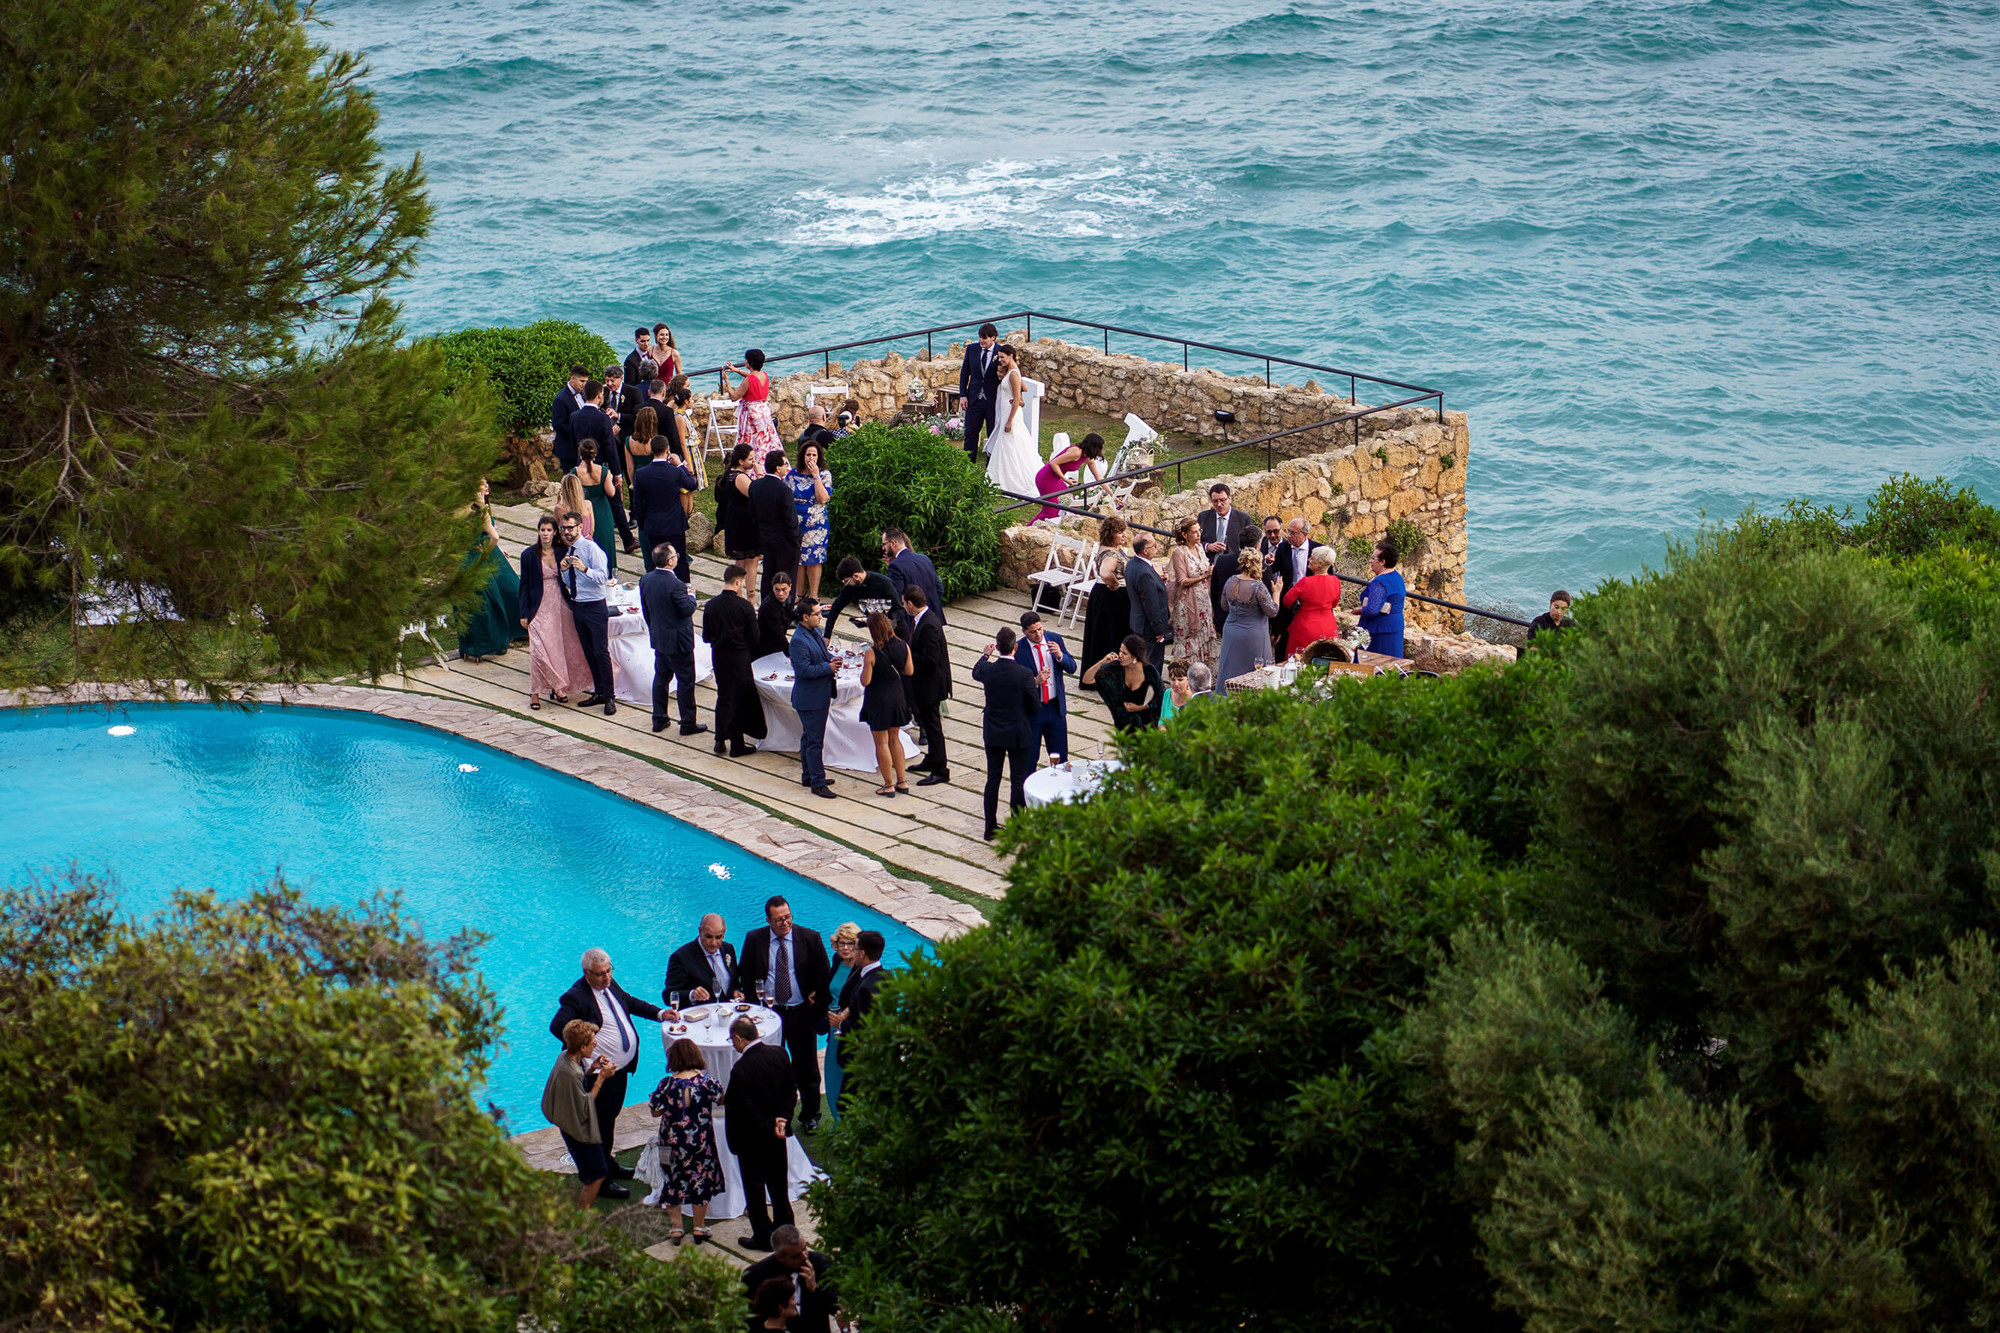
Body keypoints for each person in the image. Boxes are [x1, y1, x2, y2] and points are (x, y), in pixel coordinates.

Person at [547, 948, 666, 1200]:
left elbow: (629, 1002)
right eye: (600, 974)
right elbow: (557, 1027)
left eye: (609, 971)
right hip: (597, 1073)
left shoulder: (609, 984)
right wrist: (586, 1055)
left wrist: (659, 1013)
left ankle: (608, 1163)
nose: (606, 978)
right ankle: (601, 1181)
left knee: (609, 1118)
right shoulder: (575, 997)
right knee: (597, 1124)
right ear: (587, 973)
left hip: (618, 1070)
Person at [738, 896, 832, 1131]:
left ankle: (811, 1115)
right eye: (779, 919)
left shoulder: (810, 938)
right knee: (770, 1066)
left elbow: (824, 977)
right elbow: (746, 974)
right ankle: (775, 1115)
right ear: (768, 920)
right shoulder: (754, 939)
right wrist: (753, 1008)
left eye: (788, 917)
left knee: (807, 1067)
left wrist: (815, 1005)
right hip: (768, 1014)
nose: (784, 923)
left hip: (800, 1012)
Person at [722, 1014, 797, 1251]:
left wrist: (767, 1124)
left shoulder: (741, 1069)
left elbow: (744, 1108)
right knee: (779, 1188)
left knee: (755, 1191)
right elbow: (790, 1090)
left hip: (751, 1141)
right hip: (777, 1136)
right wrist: (782, 1120)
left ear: (738, 1038)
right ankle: (787, 1234)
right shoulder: (780, 1054)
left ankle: (763, 1238)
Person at [647, 1037, 725, 1244]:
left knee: (672, 1181)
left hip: (670, 1142)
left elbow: (655, 1110)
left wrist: (671, 1107)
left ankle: (676, 1228)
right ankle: (699, 1227)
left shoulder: (666, 1084)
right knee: (701, 1179)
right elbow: (722, 1099)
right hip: (701, 1141)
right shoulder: (707, 1081)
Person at [971, 627, 1040, 840]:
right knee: (1018, 780)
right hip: (1018, 732)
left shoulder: (989, 670)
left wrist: (985, 655)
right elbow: (1034, 707)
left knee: (993, 778)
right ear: (1015, 647)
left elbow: (976, 671)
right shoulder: (1024, 674)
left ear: (997, 646)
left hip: (993, 731)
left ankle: (989, 827)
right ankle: (1018, 826)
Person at [519, 515, 593, 709]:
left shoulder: (562, 551)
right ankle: (534, 692)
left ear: (554, 532)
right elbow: (524, 586)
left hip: (560, 604)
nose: (545, 534)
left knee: (559, 648)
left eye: (549, 530)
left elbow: (571, 577)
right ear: (538, 532)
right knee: (538, 651)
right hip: (539, 606)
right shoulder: (529, 555)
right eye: (542, 530)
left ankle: (558, 687)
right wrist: (524, 613)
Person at [542, 1019, 614, 1207]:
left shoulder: (565, 1057)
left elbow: (577, 1088)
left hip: (567, 1124)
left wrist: (592, 1068)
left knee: (588, 1174)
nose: (595, 1044)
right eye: (592, 1042)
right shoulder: (572, 1073)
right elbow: (584, 1106)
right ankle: (584, 1219)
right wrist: (601, 1078)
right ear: (582, 1047)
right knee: (598, 1175)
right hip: (578, 1131)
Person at [641, 543, 706, 737]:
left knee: (661, 677)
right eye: (676, 555)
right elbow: (687, 609)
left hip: (660, 637)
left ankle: (659, 718)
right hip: (679, 641)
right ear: (670, 562)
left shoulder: (646, 580)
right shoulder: (676, 585)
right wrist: (692, 596)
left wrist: (655, 629)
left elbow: (647, 610)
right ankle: (688, 723)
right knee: (685, 681)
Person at [702, 563, 765, 757]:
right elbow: (755, 638)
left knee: (724, 696)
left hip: (720, 657)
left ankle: (719, 739)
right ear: (738, 582)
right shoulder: (744, 607)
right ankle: (737, 745)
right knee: (739, 699)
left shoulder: (711, 606)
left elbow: (706, 636)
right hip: (739, 658)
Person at [556, 512, 616, 715]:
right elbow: (568, 582)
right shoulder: (569, 551)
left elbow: (603, 577)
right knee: (589, 651)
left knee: (601, 651)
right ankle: (599, 691)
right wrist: (564, 570)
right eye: (564, 528)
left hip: (595, 606)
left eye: (570, 528)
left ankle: (610, 696)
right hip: (578, 605)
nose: (566, 532)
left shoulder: (591, 549)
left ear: (580, 528)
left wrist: (585, 569)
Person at [456, 478, 522, 663]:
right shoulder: (480, 511)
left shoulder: (460, 509)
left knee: (470, 603)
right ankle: (491, 641)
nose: (486, 487)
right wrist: (488, 549)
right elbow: (493, 536)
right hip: (480, 555)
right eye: (481, 485)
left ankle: (470, 647)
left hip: (465, 559)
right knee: (488, 601)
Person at [741, 1227, 842, 1333]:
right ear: (779, 1257)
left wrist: (815, 1289)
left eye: (804, 1248)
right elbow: (749, 1321)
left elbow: (837, 1307)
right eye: (796, 1256)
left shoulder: (821, 1264)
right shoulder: (755, 1276)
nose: (804, 1257)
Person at [859, 611, 913, 798]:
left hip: (878, 700)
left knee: (881, 743)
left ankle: (888, 784)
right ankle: (902, 781)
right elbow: (909, 670)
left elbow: (865, 681)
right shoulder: (903, 646)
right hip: (897, 697)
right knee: (895, 739)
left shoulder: (872, 652)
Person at [631, 429, 699, 579]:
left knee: (656, 562)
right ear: (667, 450)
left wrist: (643, 523)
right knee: (679, 559)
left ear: (651, 450)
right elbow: (692, 485)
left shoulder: (641, 474)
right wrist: (681, 465)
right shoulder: (675, 472)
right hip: (674, 524)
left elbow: (637, 503)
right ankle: (684, 589)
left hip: (652, 524)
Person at [902, 587, 952, 786]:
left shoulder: (929, 624)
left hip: (931, 684)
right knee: (927, 723)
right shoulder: (923, 619)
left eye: (904, 603)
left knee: (933, 726)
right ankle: (932, 758)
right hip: (924, 683)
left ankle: (940, 768)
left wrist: (906, 657)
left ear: (910, 604)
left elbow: (930, 658)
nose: (904, 606)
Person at [789, 600, 837, 800]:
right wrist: (828, 668)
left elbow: (822, 655)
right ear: (805, 617)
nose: (820, 616)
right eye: (816, 613)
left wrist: (831, 659)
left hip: (820, 694)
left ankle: (808, 774)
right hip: (810, 698)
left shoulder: (816, 632)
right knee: (815, 740)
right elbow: (804, 670)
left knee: (809, 737)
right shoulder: (798, 641)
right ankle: (818, 781)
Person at [1014, 610, 1076, 766]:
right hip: (1033, 712)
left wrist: (1060, 656)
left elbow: (1072, 667)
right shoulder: (1018, 650)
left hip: (1055, 709)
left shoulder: (1054, 639)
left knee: (1060, 759)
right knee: (1029, 760)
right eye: (1033, 632)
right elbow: (1014, 684)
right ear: (1024, 631)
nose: (1038, 634)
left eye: (1040, 629)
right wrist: (1034, 682)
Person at [1215, 547, 1280, 694]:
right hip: (1253, 634)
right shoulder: (1258, 587)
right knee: (1255, 675)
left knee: (1229, 669)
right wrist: (1276, 592)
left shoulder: (1231, 581)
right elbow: (1273, 611)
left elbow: (1224, 606)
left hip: (1231, 631)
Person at [984, 344, 1041, 498]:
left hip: (1011, 415)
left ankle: (1012, 481)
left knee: (1011, 445)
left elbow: (1016, 398)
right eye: (999, 357)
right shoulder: (1012, 372)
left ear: (1011, 356)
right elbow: (1023, 390)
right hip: (1005, 413)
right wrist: (1019, 399)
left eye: (1002, 357)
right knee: (1007, 445)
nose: (999, 360)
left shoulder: (1013, 374)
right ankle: (1001, 477)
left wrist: (1009, 420)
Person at [1166, 515, 1219, 672]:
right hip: (1187, 602)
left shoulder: (1200, 548)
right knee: (1188, 638)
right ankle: (1186, 673)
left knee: (1206, 636)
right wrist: (1204, 575)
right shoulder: (1179, 552)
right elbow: (1182, 581)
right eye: (1194, 532)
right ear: (1184, 534)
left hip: (1203, 599)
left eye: (1199, 531)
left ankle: (1204, 674)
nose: (1198, 535)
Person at [1083, 632, 1165, 731]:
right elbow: (1087, 680)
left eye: (1124, 653)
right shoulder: (1115, 668)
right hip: (1124, 726)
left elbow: (1162, 698)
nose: (1120, 655)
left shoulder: (1149, 671)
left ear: (1135, 656)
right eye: (1120, 651)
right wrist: (1102, 662)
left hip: (1148, 727)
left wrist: (1140, 707)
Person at [750, 449, 802, 606]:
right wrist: (796, 539)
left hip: (765, 538)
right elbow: (790, 518)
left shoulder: (755, 486)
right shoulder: (784, 490)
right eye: (785, 464)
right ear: (778, 468)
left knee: (768, 575)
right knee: (786, 577)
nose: (787, 467)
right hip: (785, 541)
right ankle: (785, 609)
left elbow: (752, 514)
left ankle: (766, 606)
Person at [597, 368, 639, 556]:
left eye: (612, 380)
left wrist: (618, 417)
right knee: (615, 479)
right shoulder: (603, 393)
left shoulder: (632, 392)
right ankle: (618, 513)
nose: (609, 384)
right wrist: (607, 425)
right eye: (607, 380)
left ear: (621, 378)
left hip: (627, 440)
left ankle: (634, 514)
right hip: (609, 443)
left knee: (631, 477)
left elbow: (637, 415)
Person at [1267, 517, 1326, 654]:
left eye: (1294, 533)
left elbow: (1326, 576)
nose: (1289, 536)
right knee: (1284, 645)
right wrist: (1269, 562)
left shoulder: (1317, 549)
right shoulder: (1283, 548)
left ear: (1305, 534)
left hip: (1310, 605)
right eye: (1288, 531)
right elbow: (1274, 569)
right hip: (1288, 602)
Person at [1080, 515, 1131, 669]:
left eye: (1123, 531)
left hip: (1107, 596)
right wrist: (1114, 584)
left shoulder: (1109, 549)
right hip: (1112, 598)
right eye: (1119, 532)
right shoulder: (1110, 554)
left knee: (1103, 634)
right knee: (1109, 635)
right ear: (1110, 534)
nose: (1124, 535)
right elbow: (1105, 573)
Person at [822, 923, 859, 1121]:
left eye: (850, 943)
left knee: (849, 1080)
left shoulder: (862, 969)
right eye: (842, 943)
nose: (846, 948)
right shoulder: (837, 960)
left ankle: (851, 1124)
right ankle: (838, 1123)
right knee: (832, 1077)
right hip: (832, 1028)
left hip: (850, 1030)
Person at [789, 440, 833, 602]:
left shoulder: (824, 475)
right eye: (808, 454)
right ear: (803, 456)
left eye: (814, 455)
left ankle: (813, 596)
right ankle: (799, 595)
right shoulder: (793, 474)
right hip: (796, 523)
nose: (811, 458)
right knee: (799, 560)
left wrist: (815, 477)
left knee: (814, 560)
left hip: (816, 524)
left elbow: (823, 498)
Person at [1282, 546, 1344, 659]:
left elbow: (1287, 601)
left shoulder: (1305, 582)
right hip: (1328, 626)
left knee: (1299, 661)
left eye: (1312, 558)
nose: (1309, 559)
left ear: (1320, 564)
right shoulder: (1335, 581)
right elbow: (1334, 604)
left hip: (1305, 627)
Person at [1032, 430, 1108, 522]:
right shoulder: (1076, 452)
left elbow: (1099, 478)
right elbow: (1053, 463)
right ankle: (1028, 529)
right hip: (1046, 478)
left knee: (1071, 505)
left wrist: (1112, 495)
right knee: (1051, 511)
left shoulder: (1087, 458)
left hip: (1056, 480)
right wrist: (1066, 480)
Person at [664, 913, 740, 1006]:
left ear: (724, 934)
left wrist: (736, 991)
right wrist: (692, 994)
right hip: (700, 1016)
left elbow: (734, 981)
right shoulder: (681, 958)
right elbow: (668, 996)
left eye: (718, 937)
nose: (713, 942)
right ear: (700, 931)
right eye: (708, 937)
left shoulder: (728, 949)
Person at [824, 555, 908, 638]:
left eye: (847, 581)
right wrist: (827, 636)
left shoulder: (883, 583)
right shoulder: (851, 588)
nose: (846, 584)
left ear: (856, 576)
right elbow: (836, 608)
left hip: (896, 629)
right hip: (877, 631)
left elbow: (899, 609)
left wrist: (888, 625)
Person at [721, 348, 783, 461]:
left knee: (751, 442)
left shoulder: (749, 379)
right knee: (765, 441)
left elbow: (734, 397)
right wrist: (736, 370)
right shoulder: (764, 375)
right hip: (764, 413)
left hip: (751, 415)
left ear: (750, 362)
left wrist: (727, 382)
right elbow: (752, 376)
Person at [719, 444, 762, 600]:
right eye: (750, 459)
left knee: (741, 560)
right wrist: (760, 475)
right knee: (751, 561)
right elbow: (757, 494)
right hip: (745, 523)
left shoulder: (730, 474)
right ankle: (750, 596)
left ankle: (736, 593)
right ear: (741, 461)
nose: (753, 462)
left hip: (735, 520)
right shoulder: (740, 477)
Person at [1123, 534, 1172, 670]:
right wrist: (1159, 630)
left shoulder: (1132, 564)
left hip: (1138, 621)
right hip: (1149, 627)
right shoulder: (1144, 572)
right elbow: (1151, 605)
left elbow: (1143, 589)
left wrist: (1158, 582)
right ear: (1145, 550)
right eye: (1154, 546)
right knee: (1152, 662)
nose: (1156, 548)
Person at [572, 440, 621, 574]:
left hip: (583, 513)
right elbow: (611, 493)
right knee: (606, 545)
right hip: (602, 510)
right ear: (595, 454)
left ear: (580, 454)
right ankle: (609, 574)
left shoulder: (574, 473)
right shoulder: (603, 471)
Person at [881, 527, 948, 626]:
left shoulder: (895, 566)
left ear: (893, 543)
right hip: (933, 619)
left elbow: (898, 598)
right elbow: (939, 589)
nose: (883, 548)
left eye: (884, 544)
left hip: (912, 623)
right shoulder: (924, 558)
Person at [568, 380, 617, 505]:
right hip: (600, 465)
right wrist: (617, 472)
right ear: (599, 395)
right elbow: (610, 447)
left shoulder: (574, 416)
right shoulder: (603, 418)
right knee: (611, 500)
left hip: (581, 464)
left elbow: (573, 442)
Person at [1357, 540, 1408, 660]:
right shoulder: (1397, 577)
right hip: (1394, 626)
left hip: (1378, 630)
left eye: (1373, 558)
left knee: (1375, 665)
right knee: (1392, 665)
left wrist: (1360, 610)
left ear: (1382, 562)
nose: (1370, 561)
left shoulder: (1379, 583)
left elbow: (1372, 609)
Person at [958, 322, 1000, 458]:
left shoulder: (1001, 352)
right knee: (970, 434)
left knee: (992, 434)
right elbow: (964, 373)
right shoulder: (972, 349)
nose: (981, 340)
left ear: (993, 337)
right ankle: (968, 467)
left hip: (992, 401)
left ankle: (990, 468)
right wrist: (963, 395)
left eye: (985, 338)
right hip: (974, 399)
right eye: (980, 337)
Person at [1210, 524, 1259, 633]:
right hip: (1253, 624)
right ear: (1257, 546)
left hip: (1226, 618)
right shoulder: (1262, 567)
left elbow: (1214, 591)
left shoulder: (1222, 561)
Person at [1198, 483, 1257, 560]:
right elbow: (1194, 543)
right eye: (1215, 501)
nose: (1219, 504)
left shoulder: (1243, 519)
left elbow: (1250, 547)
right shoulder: (1203, 517)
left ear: (1230, 499)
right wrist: (1207, 546)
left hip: (1234, 565)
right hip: (1208, 565)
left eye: (1222, 500)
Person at [549, 364, 588, 473]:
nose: (584, 385)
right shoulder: (561, 399)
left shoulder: (583, 394)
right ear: (572, 379)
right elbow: (558, 425)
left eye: (586, 381)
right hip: (568, 448)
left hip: (582, 447)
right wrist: (578, 430)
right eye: (582, 381)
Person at [759, 570, 799, 659]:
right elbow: (778, 633)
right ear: (773, 588)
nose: (780, 594)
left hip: (778, 639)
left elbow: (789, 612)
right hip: (767, 646)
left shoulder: (789, 597)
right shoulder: (770, 607)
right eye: (777, 590)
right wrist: (790, 654)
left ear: (790, 587)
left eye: (784, 589)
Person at [1160, 659, 1192, 725]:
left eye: (1180, 680)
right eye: (1173, 680)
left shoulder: (1195, 697)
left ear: (1189, 680)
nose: (1176, 684)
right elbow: (1161, 721)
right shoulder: (1167, 693)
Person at [624, 327, 656, 392]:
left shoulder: (651, 355)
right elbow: (629, 384)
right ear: (636, 340)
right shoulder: (630, 360)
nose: (646, 344)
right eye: (643, 341)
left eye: (648, 340)